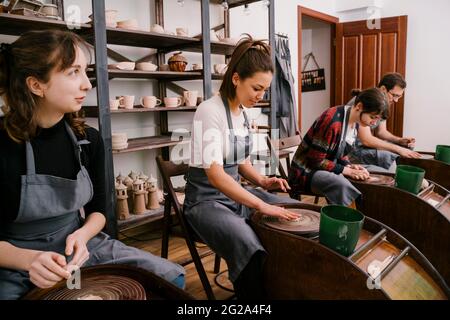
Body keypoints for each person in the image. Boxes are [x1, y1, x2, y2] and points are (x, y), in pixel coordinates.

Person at [0, 30, 185, 300]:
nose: (87, 85)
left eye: (85, 72)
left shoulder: (88, 140)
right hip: (15, 262)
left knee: (168, 279)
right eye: (73, 72)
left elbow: (98, 211)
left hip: (77, 252)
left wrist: (83, 236)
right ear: (36, 84)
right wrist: (27, 260)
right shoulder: (4, 146)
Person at [183, 36, 300, 300]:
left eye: (264, 90)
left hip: (233, 193)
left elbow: (241, 162)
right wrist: (260, 204)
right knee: (247, 243)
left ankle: (279, 288)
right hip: (205, 202)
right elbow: (215, 174)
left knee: (290, 209)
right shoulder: (209, 111)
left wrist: (262, 182)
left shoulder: (243, 113)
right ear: (236, 79)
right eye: (256, 88)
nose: (260, 96)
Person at [288, 88, 389, 207]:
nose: (374, 123)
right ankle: (347, 221)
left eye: (377, 119)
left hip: (324, 167)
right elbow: (315, 160)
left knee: (370, 173)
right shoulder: (332, 121)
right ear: (359, 106)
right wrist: (348, 171)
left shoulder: (355, 122)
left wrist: (348, 165)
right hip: (304, 172)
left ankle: (368, 216)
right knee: (341, 184)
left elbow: (339, 154)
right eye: (373, 117)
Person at [348, 73, 421, 172]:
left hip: (364, 146)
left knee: (406, 149)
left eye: (399, 97)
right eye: (394, 95)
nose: (396, 100)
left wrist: (399, 140)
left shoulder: (383, 104)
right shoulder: (368, 101)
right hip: (352, 150)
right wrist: (398, 149)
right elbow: (367, 140)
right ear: (383, 89)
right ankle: (395, 182)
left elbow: (381, 132)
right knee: (390, 155)